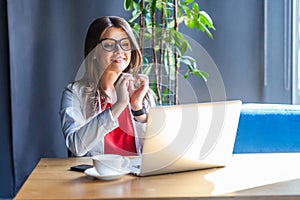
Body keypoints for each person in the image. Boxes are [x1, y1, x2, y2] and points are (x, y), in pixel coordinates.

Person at [60, 16, 156, 157]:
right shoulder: (75, 93)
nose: (119, 50)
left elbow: (157, 152)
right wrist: (119, 105)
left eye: (125, 44)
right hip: (94, 177)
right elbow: (76, 146)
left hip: (136, 177)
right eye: (109, 45)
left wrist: (138, 109)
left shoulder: (144, 94)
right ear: (93, 52)